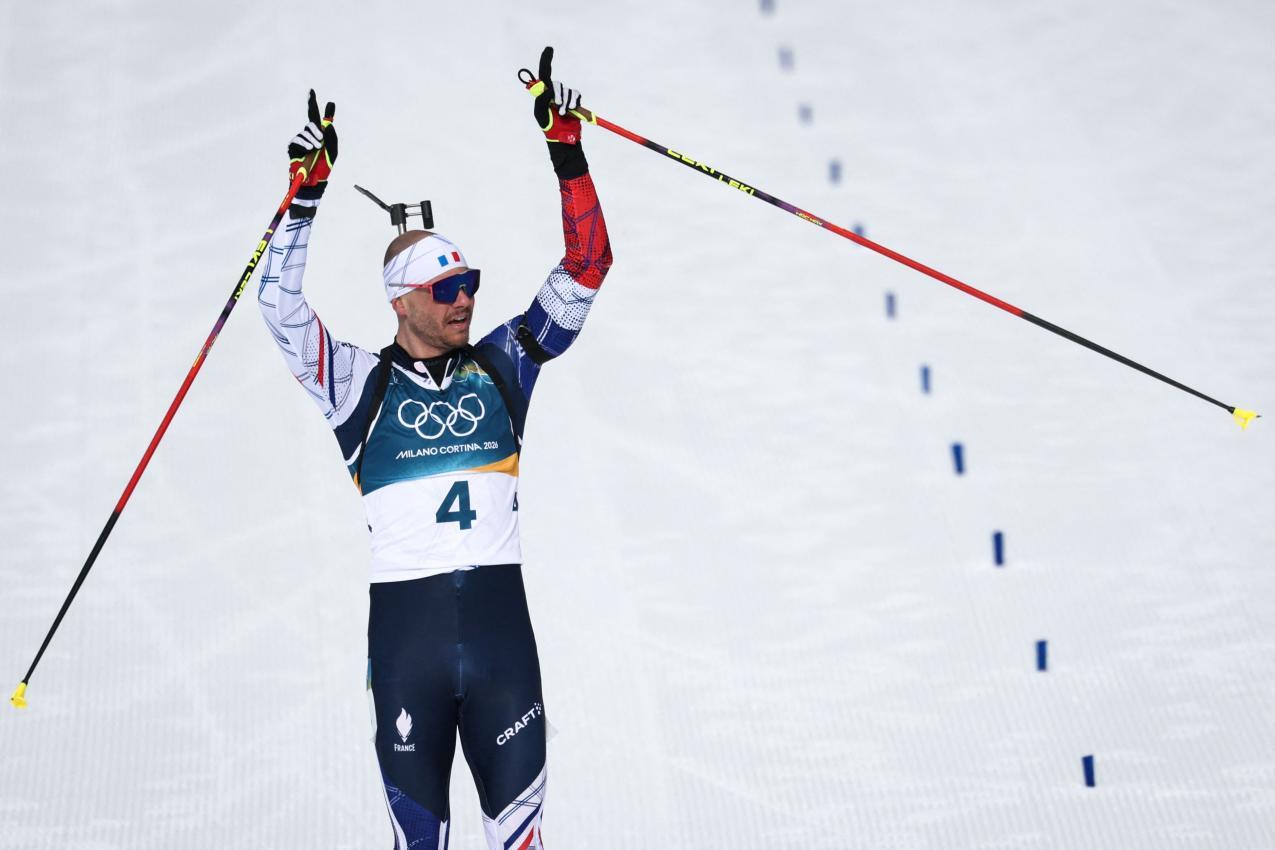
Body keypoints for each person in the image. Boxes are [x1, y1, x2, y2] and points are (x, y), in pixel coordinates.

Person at [257, 47, 611, 850]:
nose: (466, 299)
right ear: (402, 301)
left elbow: (587, 265)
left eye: (471, 283)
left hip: (502, 652)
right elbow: (279, 309)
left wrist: (568, 154)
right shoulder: (354, 387)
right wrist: (302, 201)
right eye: (446, 289)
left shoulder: (504, 365)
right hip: (407, 647)